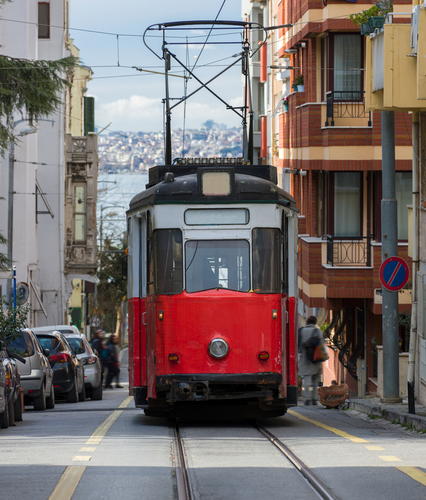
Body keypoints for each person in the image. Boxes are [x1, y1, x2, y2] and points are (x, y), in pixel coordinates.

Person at [298, 315, 325, 406]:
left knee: (306, 379)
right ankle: (313, 398)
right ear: (314, 322)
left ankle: (306, 399)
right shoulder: (317, 331)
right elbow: (321, 343)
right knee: (314, 380)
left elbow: (298, 344)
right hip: (315, 358)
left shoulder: (301, 331)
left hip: (305, 358)